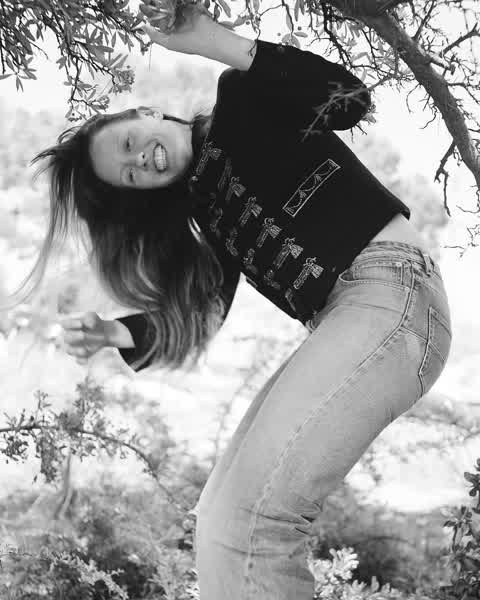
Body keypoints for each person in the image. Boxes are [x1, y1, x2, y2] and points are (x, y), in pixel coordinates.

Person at [11, 1, 453, 597]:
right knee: (219, 522)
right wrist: (118, 332)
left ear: (146, 112)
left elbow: (349, 98)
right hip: (348, 316)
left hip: (393, 290)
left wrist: (212, 40)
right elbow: (207, 309)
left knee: (250, 526)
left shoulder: (243, 96)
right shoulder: (210, 210)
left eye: (129, 143)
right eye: (130, 175)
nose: (140, 159)